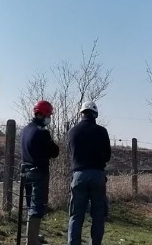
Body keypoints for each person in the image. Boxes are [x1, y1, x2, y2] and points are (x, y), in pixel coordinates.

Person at [66, 101, 111, 245]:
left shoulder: (72, 131)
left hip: (78, 175)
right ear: (95, 114)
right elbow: (108, 156)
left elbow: (71, 153)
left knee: (76, 214)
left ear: (81, 114)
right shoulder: (102, 131)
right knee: (98, 215)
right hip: (97, 175)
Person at [20, 100, 60, 245]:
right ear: (42, 115)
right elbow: (54, 152)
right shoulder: (42, 133)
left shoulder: (25, 130)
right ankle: (32, 240)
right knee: (37, 206)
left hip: (25, 171)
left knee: (30, 203)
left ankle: (33, 235)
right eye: (48, 116)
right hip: (39, 172)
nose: (49, 118)